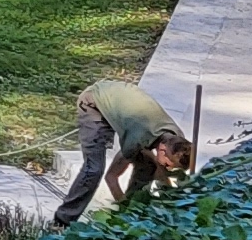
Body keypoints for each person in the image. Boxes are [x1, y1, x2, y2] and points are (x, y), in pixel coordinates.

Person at [53, 78, 197, 226]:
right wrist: (123, 213)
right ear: (162, 149)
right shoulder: (136, 139)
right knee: (94, 169)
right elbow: (111, 177)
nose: (170, 169)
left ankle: (135, 210)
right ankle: (62, 221)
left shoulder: (178, 138)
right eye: (169, 165)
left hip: (121, 97)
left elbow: (162, 173)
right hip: (94, 102)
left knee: (149, 166)